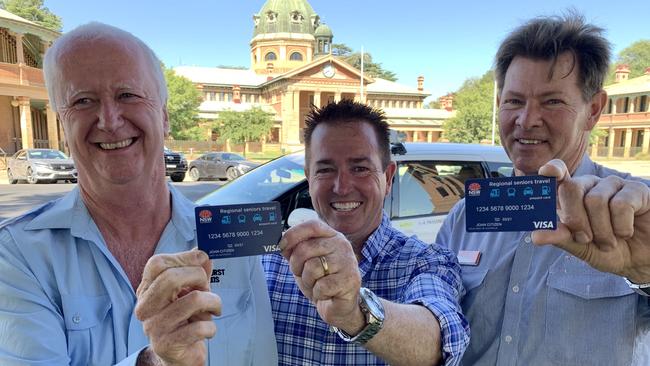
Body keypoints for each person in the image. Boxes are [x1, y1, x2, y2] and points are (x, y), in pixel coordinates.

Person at [0, 23, 277, 365]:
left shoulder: (229, 240)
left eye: (127, 95)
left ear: (164, 117)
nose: (109, 120)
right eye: (83, 101)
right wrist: (155, 360)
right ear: (62, 124)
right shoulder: (17, 255)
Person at [435, 13, 650, 365]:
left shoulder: (635, 214)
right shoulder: (464, 217)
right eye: (514, 101)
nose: (526, 119)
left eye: (552, 101)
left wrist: (646, 274)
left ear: (593, 110)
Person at [262, 99, 470, 365]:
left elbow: (441, 342)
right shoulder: (268, 265)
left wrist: (355, 312)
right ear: (309, 177)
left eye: (360, 168)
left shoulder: (426, 261)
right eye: (325, 169)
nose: (342, 186)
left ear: (388, 178)